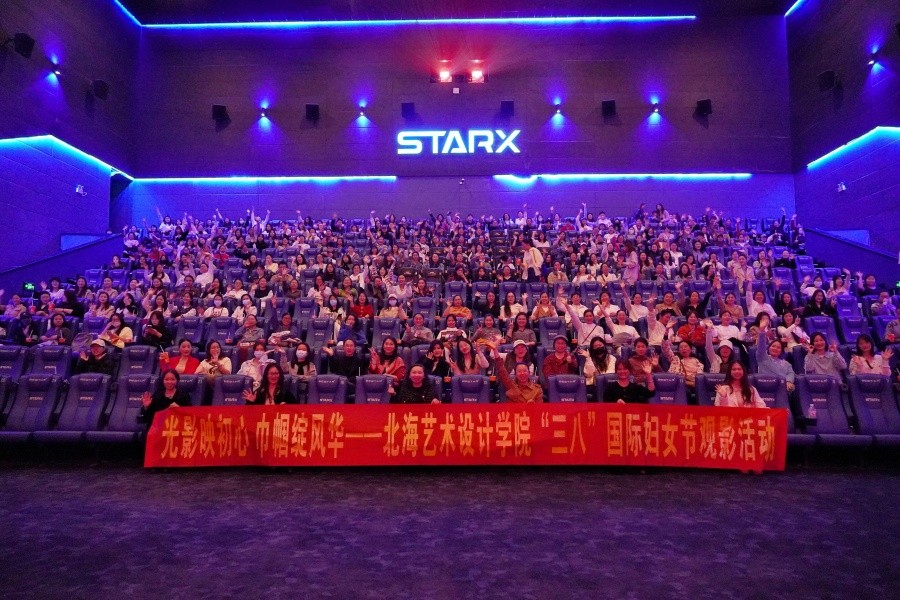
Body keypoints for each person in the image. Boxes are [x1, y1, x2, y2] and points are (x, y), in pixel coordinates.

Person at [756, 326, 796, 392]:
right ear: (768, 348)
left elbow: (791, 373)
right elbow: (761, 348)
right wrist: (762, 331)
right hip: (766, 385)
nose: (775, 348)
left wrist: (788, 381)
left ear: (781, 351)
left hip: (783, 387)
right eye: (773, 346)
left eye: (778, 347)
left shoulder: (786, 364)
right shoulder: (763, 358)